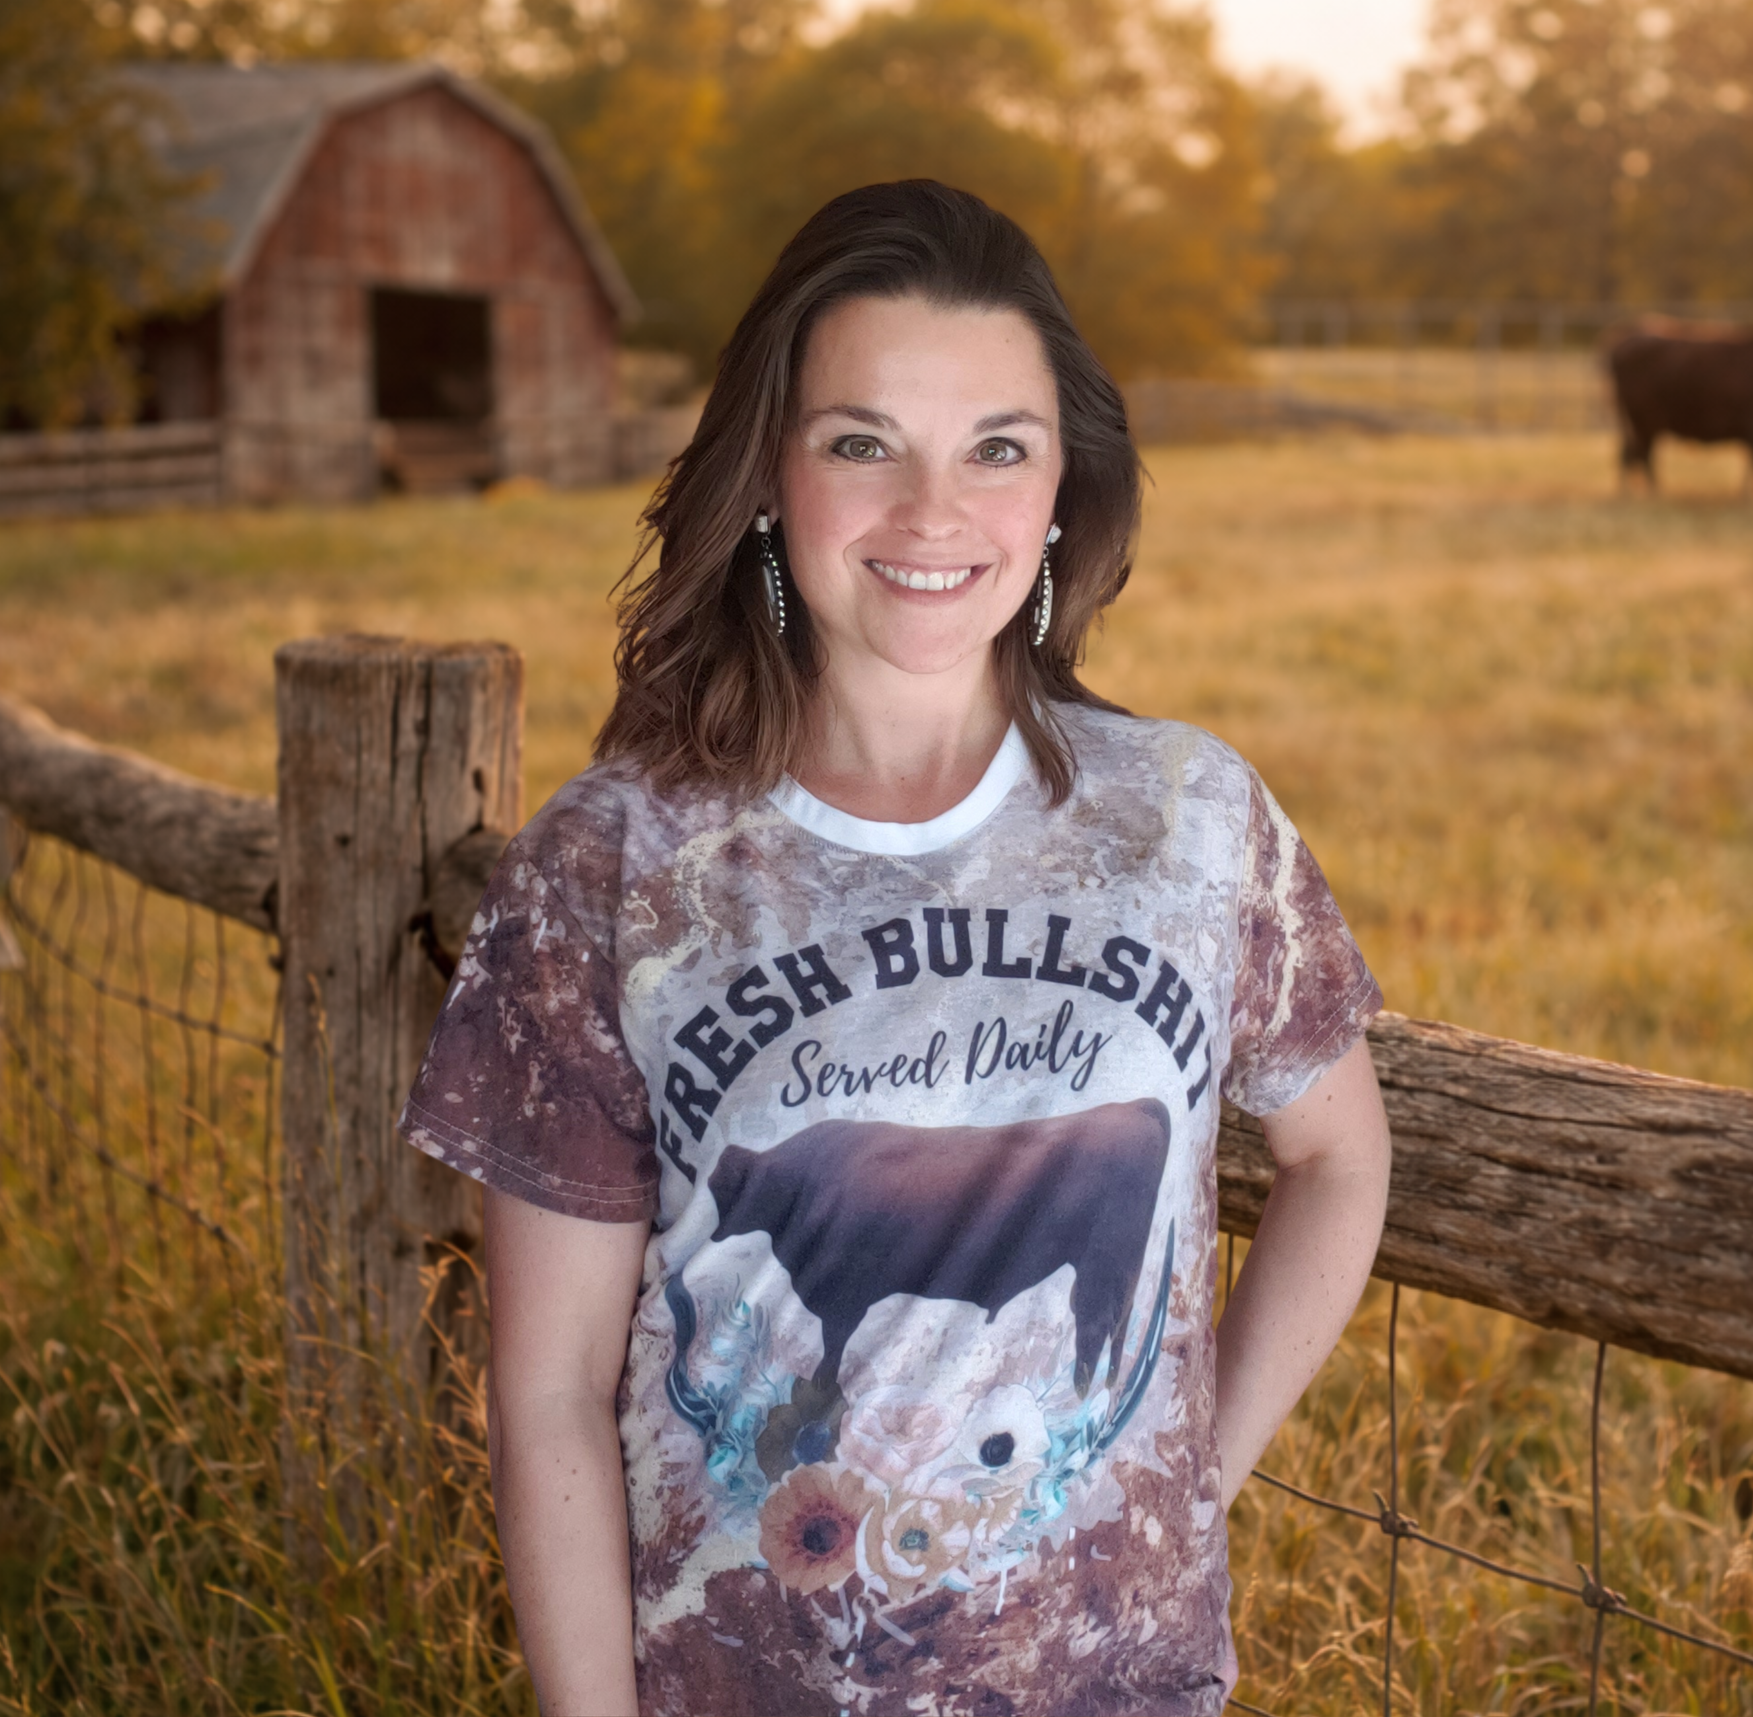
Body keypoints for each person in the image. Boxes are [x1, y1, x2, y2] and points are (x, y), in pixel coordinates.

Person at [401, 179, 1391, 1717]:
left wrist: (1194, 1470)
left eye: (997, 448)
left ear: (1064, 484)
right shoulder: (615, 866)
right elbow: (542, 1399)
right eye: (861, 443)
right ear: (767, 476)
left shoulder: (1189, 818)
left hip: (1117, 1688)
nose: (934, 515)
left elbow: (1336, 1156)